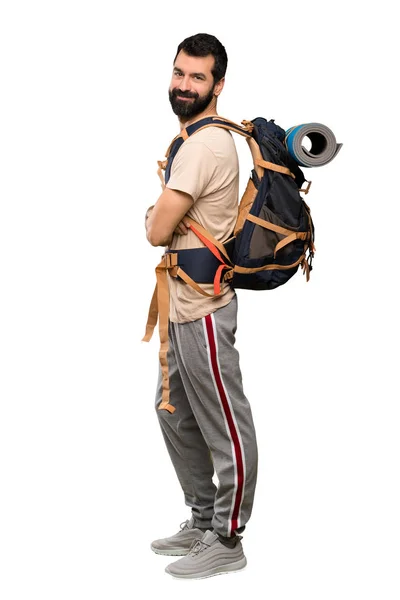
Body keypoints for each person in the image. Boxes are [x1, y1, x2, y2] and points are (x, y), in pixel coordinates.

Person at [144, 33, 258, 579]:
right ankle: (202, 518)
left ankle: (228, 538)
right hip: (178, 302)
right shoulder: (189, 138)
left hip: (206, 306)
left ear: (217, 84)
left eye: (196, 77)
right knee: (174, 412)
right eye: (179, 73)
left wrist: (152, 216)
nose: (184, 85)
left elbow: (157, 228)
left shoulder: (207, 144)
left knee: (224, 424)